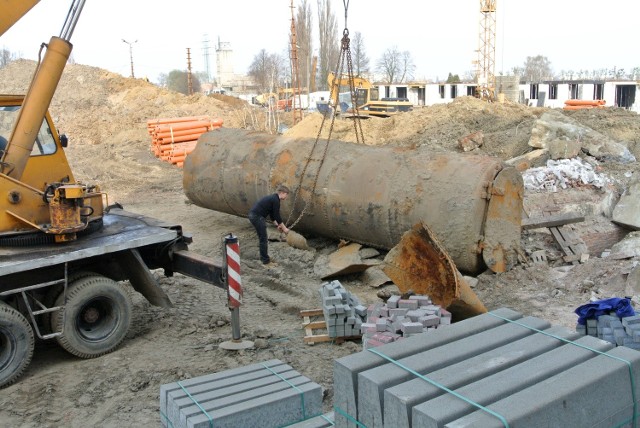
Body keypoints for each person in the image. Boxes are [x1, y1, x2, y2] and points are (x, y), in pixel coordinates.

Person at [248, 185, 290, 265]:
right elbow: (277, 216)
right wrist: (285, 229)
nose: (286, 197)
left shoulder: (273, 198)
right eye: (286, 194)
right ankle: (266, 261)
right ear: (282, 193)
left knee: (263, 238)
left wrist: (277, 225)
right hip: (257, 217)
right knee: (263, 238)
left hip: (254, 216)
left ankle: (264, 258)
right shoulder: (276, 200)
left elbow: (272, 215)